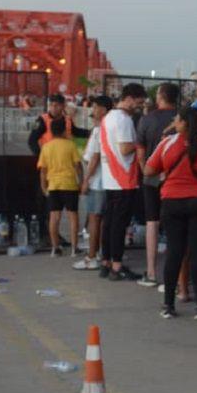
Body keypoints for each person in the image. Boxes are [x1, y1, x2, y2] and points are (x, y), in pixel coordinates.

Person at [146, 105, 197, 318]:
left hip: (172, 202)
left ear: (183, 123)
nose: (174, 123)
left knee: (175, 252)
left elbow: (149, 169)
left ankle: (168, 305)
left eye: (177, 120)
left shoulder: (167, 144)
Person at [100, 83, 148, 281]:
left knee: (109, 223)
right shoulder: (125, 120)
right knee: (119, 225)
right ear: (129, 98)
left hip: (110, 178)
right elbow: (125, 149)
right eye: (138, 102)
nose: (139, 106)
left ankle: (106, 262)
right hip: (124, 179)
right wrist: (141, 144)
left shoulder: (108, 117)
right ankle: (117, 265)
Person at [136, 83, 180, 286]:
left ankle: (152, 272)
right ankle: (177, 278)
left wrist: (147, 170)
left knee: (151, 222)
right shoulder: (182, 119)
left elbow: (140, 152)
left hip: (151, 179)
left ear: (161, 96)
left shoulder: (147, 120)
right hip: (176, 180)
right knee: (175, 227)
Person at [74, 95, 111, 271]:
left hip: (97, 181)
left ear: (103, 110)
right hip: (107, 180)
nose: (93, 111)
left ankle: (92, 257)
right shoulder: (109, 128)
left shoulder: (99, 130)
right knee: (102, 219)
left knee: (95, 218)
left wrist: (86, 180)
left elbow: (94, 157)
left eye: (95, 107)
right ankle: (103, 254)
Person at [37, 117, 83, 257]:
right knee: (72, 216)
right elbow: (78, 166)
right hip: (69, 185)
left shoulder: (46, 147)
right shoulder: (70, 145)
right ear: (64, 130)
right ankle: (75, 248)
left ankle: (55, 248)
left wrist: (44, 186)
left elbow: (43, 170)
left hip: (53, 185)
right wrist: (80, 182)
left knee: (54, 217)